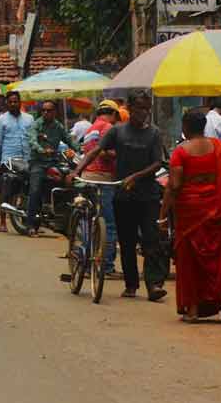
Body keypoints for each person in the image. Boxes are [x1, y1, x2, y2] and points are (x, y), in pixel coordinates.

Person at [71, 90, 168, 302]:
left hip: (148, 195)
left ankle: (154, 285)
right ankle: (131, 285)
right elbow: (96, 150)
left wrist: (136, 176)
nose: (144, 113)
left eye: (146, 109)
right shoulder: (117, 132)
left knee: (151, 240)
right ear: (130, 109)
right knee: (127, 241)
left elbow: (157, 163)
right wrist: (78, 169)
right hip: (123, 196)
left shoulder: (154, 133)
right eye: (140, 108)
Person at [160, 109, 221, 323]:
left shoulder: (181, 152)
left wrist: (162, 214)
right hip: (219, 209)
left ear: (185, 128)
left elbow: (175, 185)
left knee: (190, 260)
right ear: (204, 126)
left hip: (190, 213)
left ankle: (193, 310)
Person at [79, 100, 121, 276]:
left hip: (88, 177)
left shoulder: (90, 129)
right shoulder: (108, 128)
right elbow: (103, 152)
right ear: (113, 113)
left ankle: (85, 263)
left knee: (88, 222)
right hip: (104, 179)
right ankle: (107, 266)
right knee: (109, 224)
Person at [26, 101, 79, 236]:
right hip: (37, 162)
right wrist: (42, 149)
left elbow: (69, 140)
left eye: (49, 110)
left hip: (53, 161)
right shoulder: (36, 124)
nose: (46, 113)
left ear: (55, 112)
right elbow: (32, 140)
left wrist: (81, 149)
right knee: (35, 190)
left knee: (67, 183)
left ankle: (61, 220)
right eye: (43, 110)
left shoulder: (58, 126)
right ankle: (31, 224)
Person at [0, 91, 34, 233]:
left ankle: (25, 219)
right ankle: (3, 221)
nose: (13, 104)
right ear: (7, 103)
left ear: (20, 102)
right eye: (10, 102)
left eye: (16, 101)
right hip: (8, 160)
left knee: (26, 189)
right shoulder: (1, 120)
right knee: (6, 190)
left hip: (26, 159)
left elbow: (33, 139)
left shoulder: (29, 119)